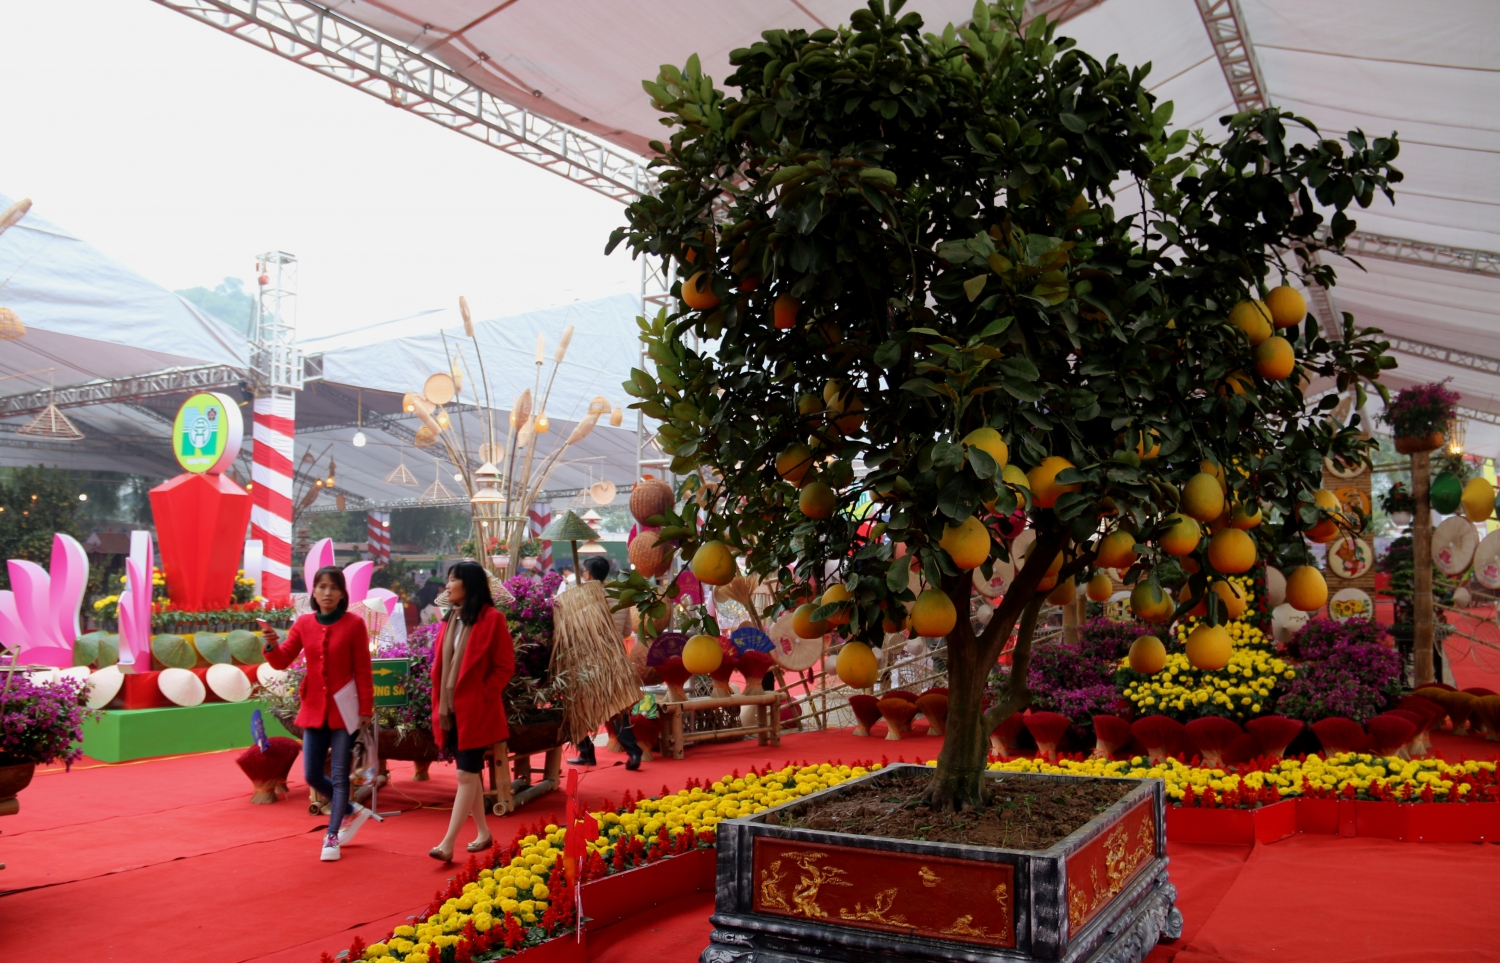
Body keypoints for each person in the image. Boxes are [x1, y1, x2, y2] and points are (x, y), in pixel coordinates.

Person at [262, 566, 374, 862]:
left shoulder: (354, 625)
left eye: (333, 587)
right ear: (313, 591)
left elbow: (363, 670)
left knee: (339, 777)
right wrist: (271, 645)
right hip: (313, 710)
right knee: (312, 774)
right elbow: (282, 660)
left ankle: (332, 836)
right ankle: (351, 810)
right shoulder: (303, 623)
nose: (327, 592)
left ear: (342, 593)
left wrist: (365, 709)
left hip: (344, 712)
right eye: (321, 587)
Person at [428, 561, 515, 862]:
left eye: (453, 579)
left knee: (465, 775)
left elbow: (505, 666)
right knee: (470, 774)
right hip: (450, 710)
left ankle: (448, 843)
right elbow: (441, 668)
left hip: (477, 712)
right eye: (449, 579)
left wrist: (484, 695)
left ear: (470, 584)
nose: (448, 585)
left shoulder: (493, 619)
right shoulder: (448, 620)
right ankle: (483, 833)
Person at [565, 555, 643, 771]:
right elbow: (626, 631)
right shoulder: (618, 596)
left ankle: (586, 751)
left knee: (577, 705)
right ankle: (633, 751)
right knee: (616, 706)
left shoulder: (580, 597)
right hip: (614, 657)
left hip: (588, 657)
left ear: (588, 574)